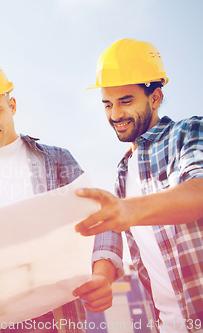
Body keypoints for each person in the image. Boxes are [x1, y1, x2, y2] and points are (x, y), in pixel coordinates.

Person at [0, 60, 120, 333]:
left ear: (12, 106)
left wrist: (102, 275)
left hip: (54, 317)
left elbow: (99, 217)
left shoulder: (56, 160)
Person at [76, 38, 203, 331]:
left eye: (126, 101)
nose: (115, 115)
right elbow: (112, 234)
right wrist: (102, 279)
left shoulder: (189, 132)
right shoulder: (122, 172)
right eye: (108, 104)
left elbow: (199, 190)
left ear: (155, 97)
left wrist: (130, 210)